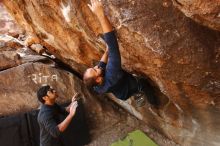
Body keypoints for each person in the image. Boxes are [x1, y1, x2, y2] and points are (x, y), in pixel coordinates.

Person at [83, 0, 158, 107]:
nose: (96, 66)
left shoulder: (95, 86)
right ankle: (153, 102)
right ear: (98, 79)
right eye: (94, 70)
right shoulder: (111, 74)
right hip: (130, 86)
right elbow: (113, 43)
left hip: (121, 94)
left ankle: (136, 95)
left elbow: (101, 65)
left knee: (125, 87)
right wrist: (100, 15)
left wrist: (106, 51)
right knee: (143, 83)